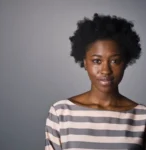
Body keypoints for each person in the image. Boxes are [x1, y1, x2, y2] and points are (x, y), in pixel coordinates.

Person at [45, 13, 146, 150]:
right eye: (97, 61)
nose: (105, 70)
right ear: (85, 63)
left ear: (125, 63)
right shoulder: (61, 113)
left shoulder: (142, 117)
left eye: (114, 61)